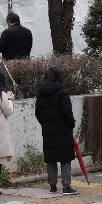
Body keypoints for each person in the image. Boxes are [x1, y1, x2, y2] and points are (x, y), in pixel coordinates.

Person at [35, 67, 78, 195]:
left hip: (48, 131)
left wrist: (45, 124)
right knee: (65, 158)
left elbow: (37, 113)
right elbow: (67, 112)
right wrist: (71, 124)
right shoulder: (62, 92)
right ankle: (66, 186)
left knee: (51, 158)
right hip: (63, 130)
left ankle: (52, 186)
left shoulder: (41, 93)